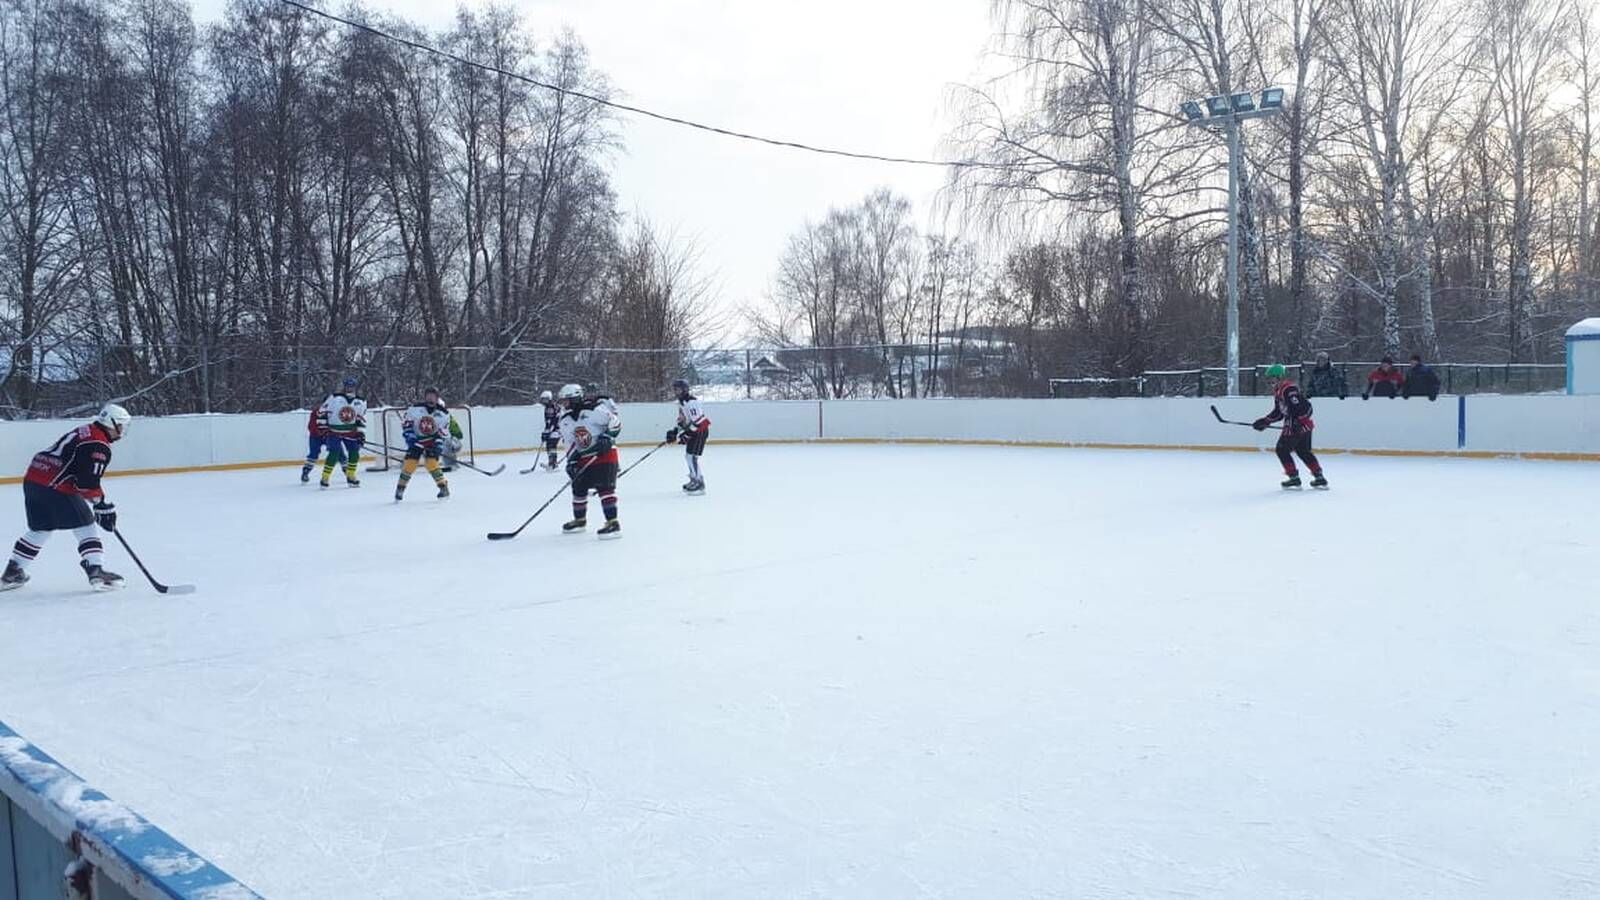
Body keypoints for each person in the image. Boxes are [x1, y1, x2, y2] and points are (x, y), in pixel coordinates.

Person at [2, 404, 131, 592]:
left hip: (33, 479)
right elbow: (86, 483)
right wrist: (101, 504)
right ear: (111, 423)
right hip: (54, 486)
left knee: (41, 528)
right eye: (121, 425)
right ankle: (96, 571)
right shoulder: (99, 446)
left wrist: (99, 502)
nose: (122, 430)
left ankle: (12, 572)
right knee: (86, 523)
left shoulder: (86, 430)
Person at [557, 383, 622, 538]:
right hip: (584, 457)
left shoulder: (595, 410)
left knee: (605, 488)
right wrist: (571, 462)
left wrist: (608, 437)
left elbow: (615, 422)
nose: (564, 404)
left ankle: (613, 523)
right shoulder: (565, 420)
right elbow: (570, 442)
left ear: (575, 398)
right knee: (578, 488)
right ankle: (579, 520)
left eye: (566, 400)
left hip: (605, 455)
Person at [1253, 364, 1327, 490]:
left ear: (1279, 377)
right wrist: (1265, 421)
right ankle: (1319, 477)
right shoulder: (1279, 390)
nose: (1270, 381)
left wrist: (1297, 423)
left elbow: (1300, 407)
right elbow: (1279, 412)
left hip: (1295, 425)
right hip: (1302, 425)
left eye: (1272, 378)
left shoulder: (1288, 389)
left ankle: (1294, 478)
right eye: (1269, 379)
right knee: (1303, 451)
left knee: (1281, 450)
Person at [394, 387, 459, 502]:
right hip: (416, 441)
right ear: (425, 397)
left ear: (437, 398)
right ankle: (400, 488)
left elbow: (443, 434)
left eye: (433, 396)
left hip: (432, 442)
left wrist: (437, 446)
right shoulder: (414, 409)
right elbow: (407, 426)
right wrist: (412, 440)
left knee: (431, 463)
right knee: (410, 464)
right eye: (428, 396)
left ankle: (443, 487)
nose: (430, 398)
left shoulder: (444, 414)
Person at [313, 376, 367, 488]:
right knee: (334, 453)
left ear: (355, 387)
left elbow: (360, 419)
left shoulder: (361, 401)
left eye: (352, 386)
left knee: (354, 453)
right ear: (344, 386)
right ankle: (325, 477)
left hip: (350, 432)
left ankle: (351, 476)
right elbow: (322, 412)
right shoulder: (334, 398)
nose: (349, 388)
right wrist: (323, 429)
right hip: (334, 431)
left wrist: (360, 433)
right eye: (348, 386)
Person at [665, 378, 711, 495]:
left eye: (679, 390)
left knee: (692, 457)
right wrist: (675, 431)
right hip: (694, 431)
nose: (676, 392)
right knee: (688, 456)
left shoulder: (692, 403)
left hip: (700, 431)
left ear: (685, 390)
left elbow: (700, 423)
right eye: (675, 390)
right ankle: (695, 478)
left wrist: (687, 435)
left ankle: (699, 483)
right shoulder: (682, 403)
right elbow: (682, 420)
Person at [301, 403, 329, 484]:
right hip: (315, 437)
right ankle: (305, 472)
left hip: (328, 437)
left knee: (337, 452)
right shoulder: (315, 413)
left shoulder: (333, 413)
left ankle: (347, 472)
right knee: (313, 454)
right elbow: (311, 426)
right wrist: (319, 432)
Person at [538, 389, 561, 471]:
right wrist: (546, 432)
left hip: (556, 430)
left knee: (551, 446)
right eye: (543, 399)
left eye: (545, 399)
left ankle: (553, 465)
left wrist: (548, 431)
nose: (544, 401)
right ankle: (552, 463)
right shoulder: (550, 407)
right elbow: (548, 422)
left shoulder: (551, 407)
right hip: (554, 430)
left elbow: (553, 421)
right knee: (550, 446)